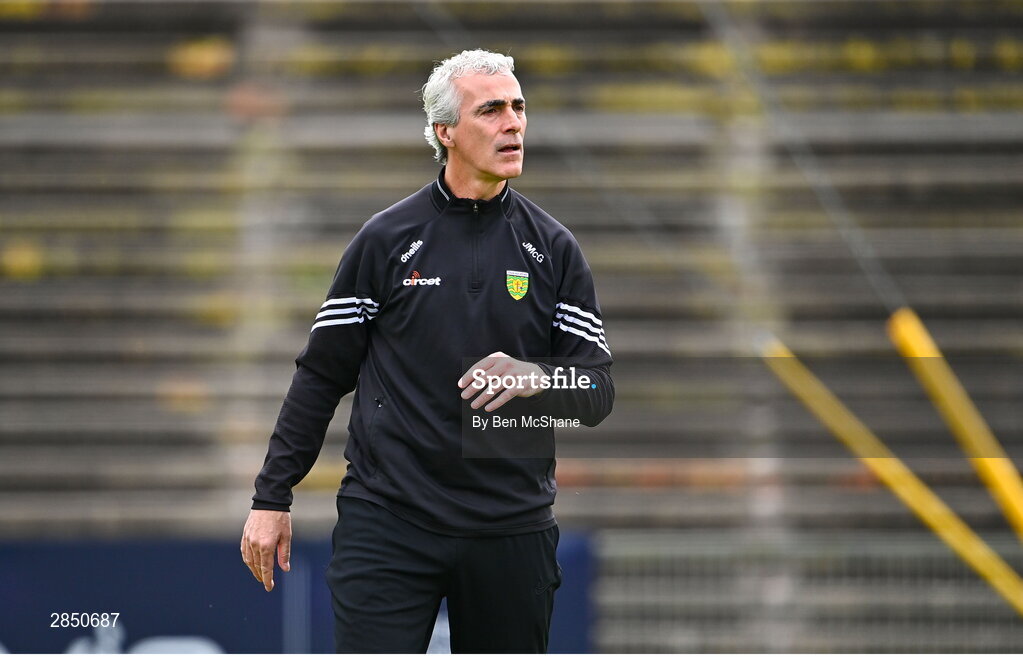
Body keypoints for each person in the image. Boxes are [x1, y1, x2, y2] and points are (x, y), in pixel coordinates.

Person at [240, 48, 614, 653]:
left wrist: (540, 379)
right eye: (491, 110)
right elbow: (320, 376)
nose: (513, 123)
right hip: (390, 520)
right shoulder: (386, 241)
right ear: (445, 132)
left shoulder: (554, 248)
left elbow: (597, 395)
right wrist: (270, 496)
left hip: (510, 525)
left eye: (519, 108)